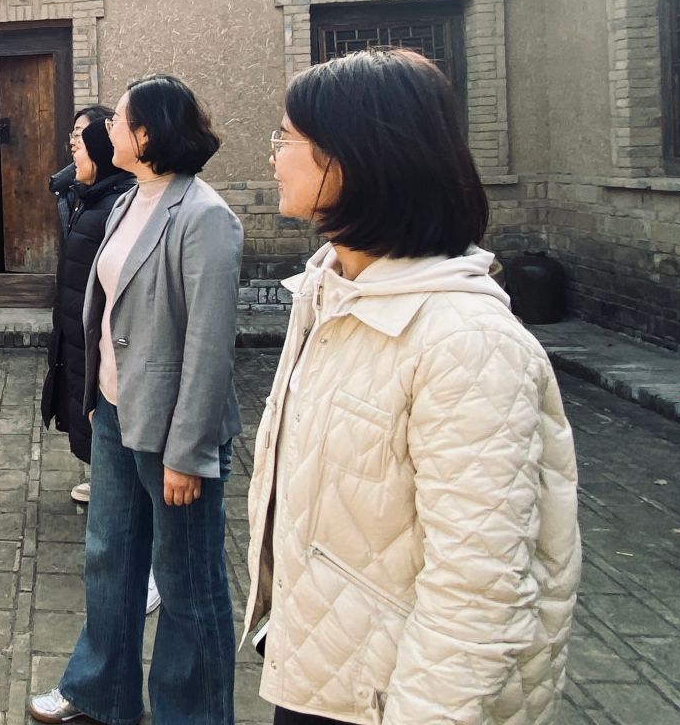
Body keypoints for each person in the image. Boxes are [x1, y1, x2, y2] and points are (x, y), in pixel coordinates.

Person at [244, 48, 581, 725]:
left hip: (398, 696)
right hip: (326, 668)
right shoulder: (332, 295)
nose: (274, 158)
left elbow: (480, 589)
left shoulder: (468, 343)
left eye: (287, 138)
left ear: (356, 158)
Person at [30, 75, 243, 725]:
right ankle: (102, 694)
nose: (106, 130)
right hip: (116, 413)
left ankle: (191, 713)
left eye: (118, 120)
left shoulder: (204, 216)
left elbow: (209, 346)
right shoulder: (128, 200)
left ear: (147, 134)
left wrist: (189, 452)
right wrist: (95, 394)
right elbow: (104, 307)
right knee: (110, 558)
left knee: (186, 583)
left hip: (174, 429)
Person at [42, 106, 131, 504]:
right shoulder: (83, 196)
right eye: (73, 137)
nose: (73, 147)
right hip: (77, 319)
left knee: (97, 400)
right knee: (81, 395)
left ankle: (113, 488)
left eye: (82, 139)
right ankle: (107, 480)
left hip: (96, 328)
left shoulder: (113, 205)